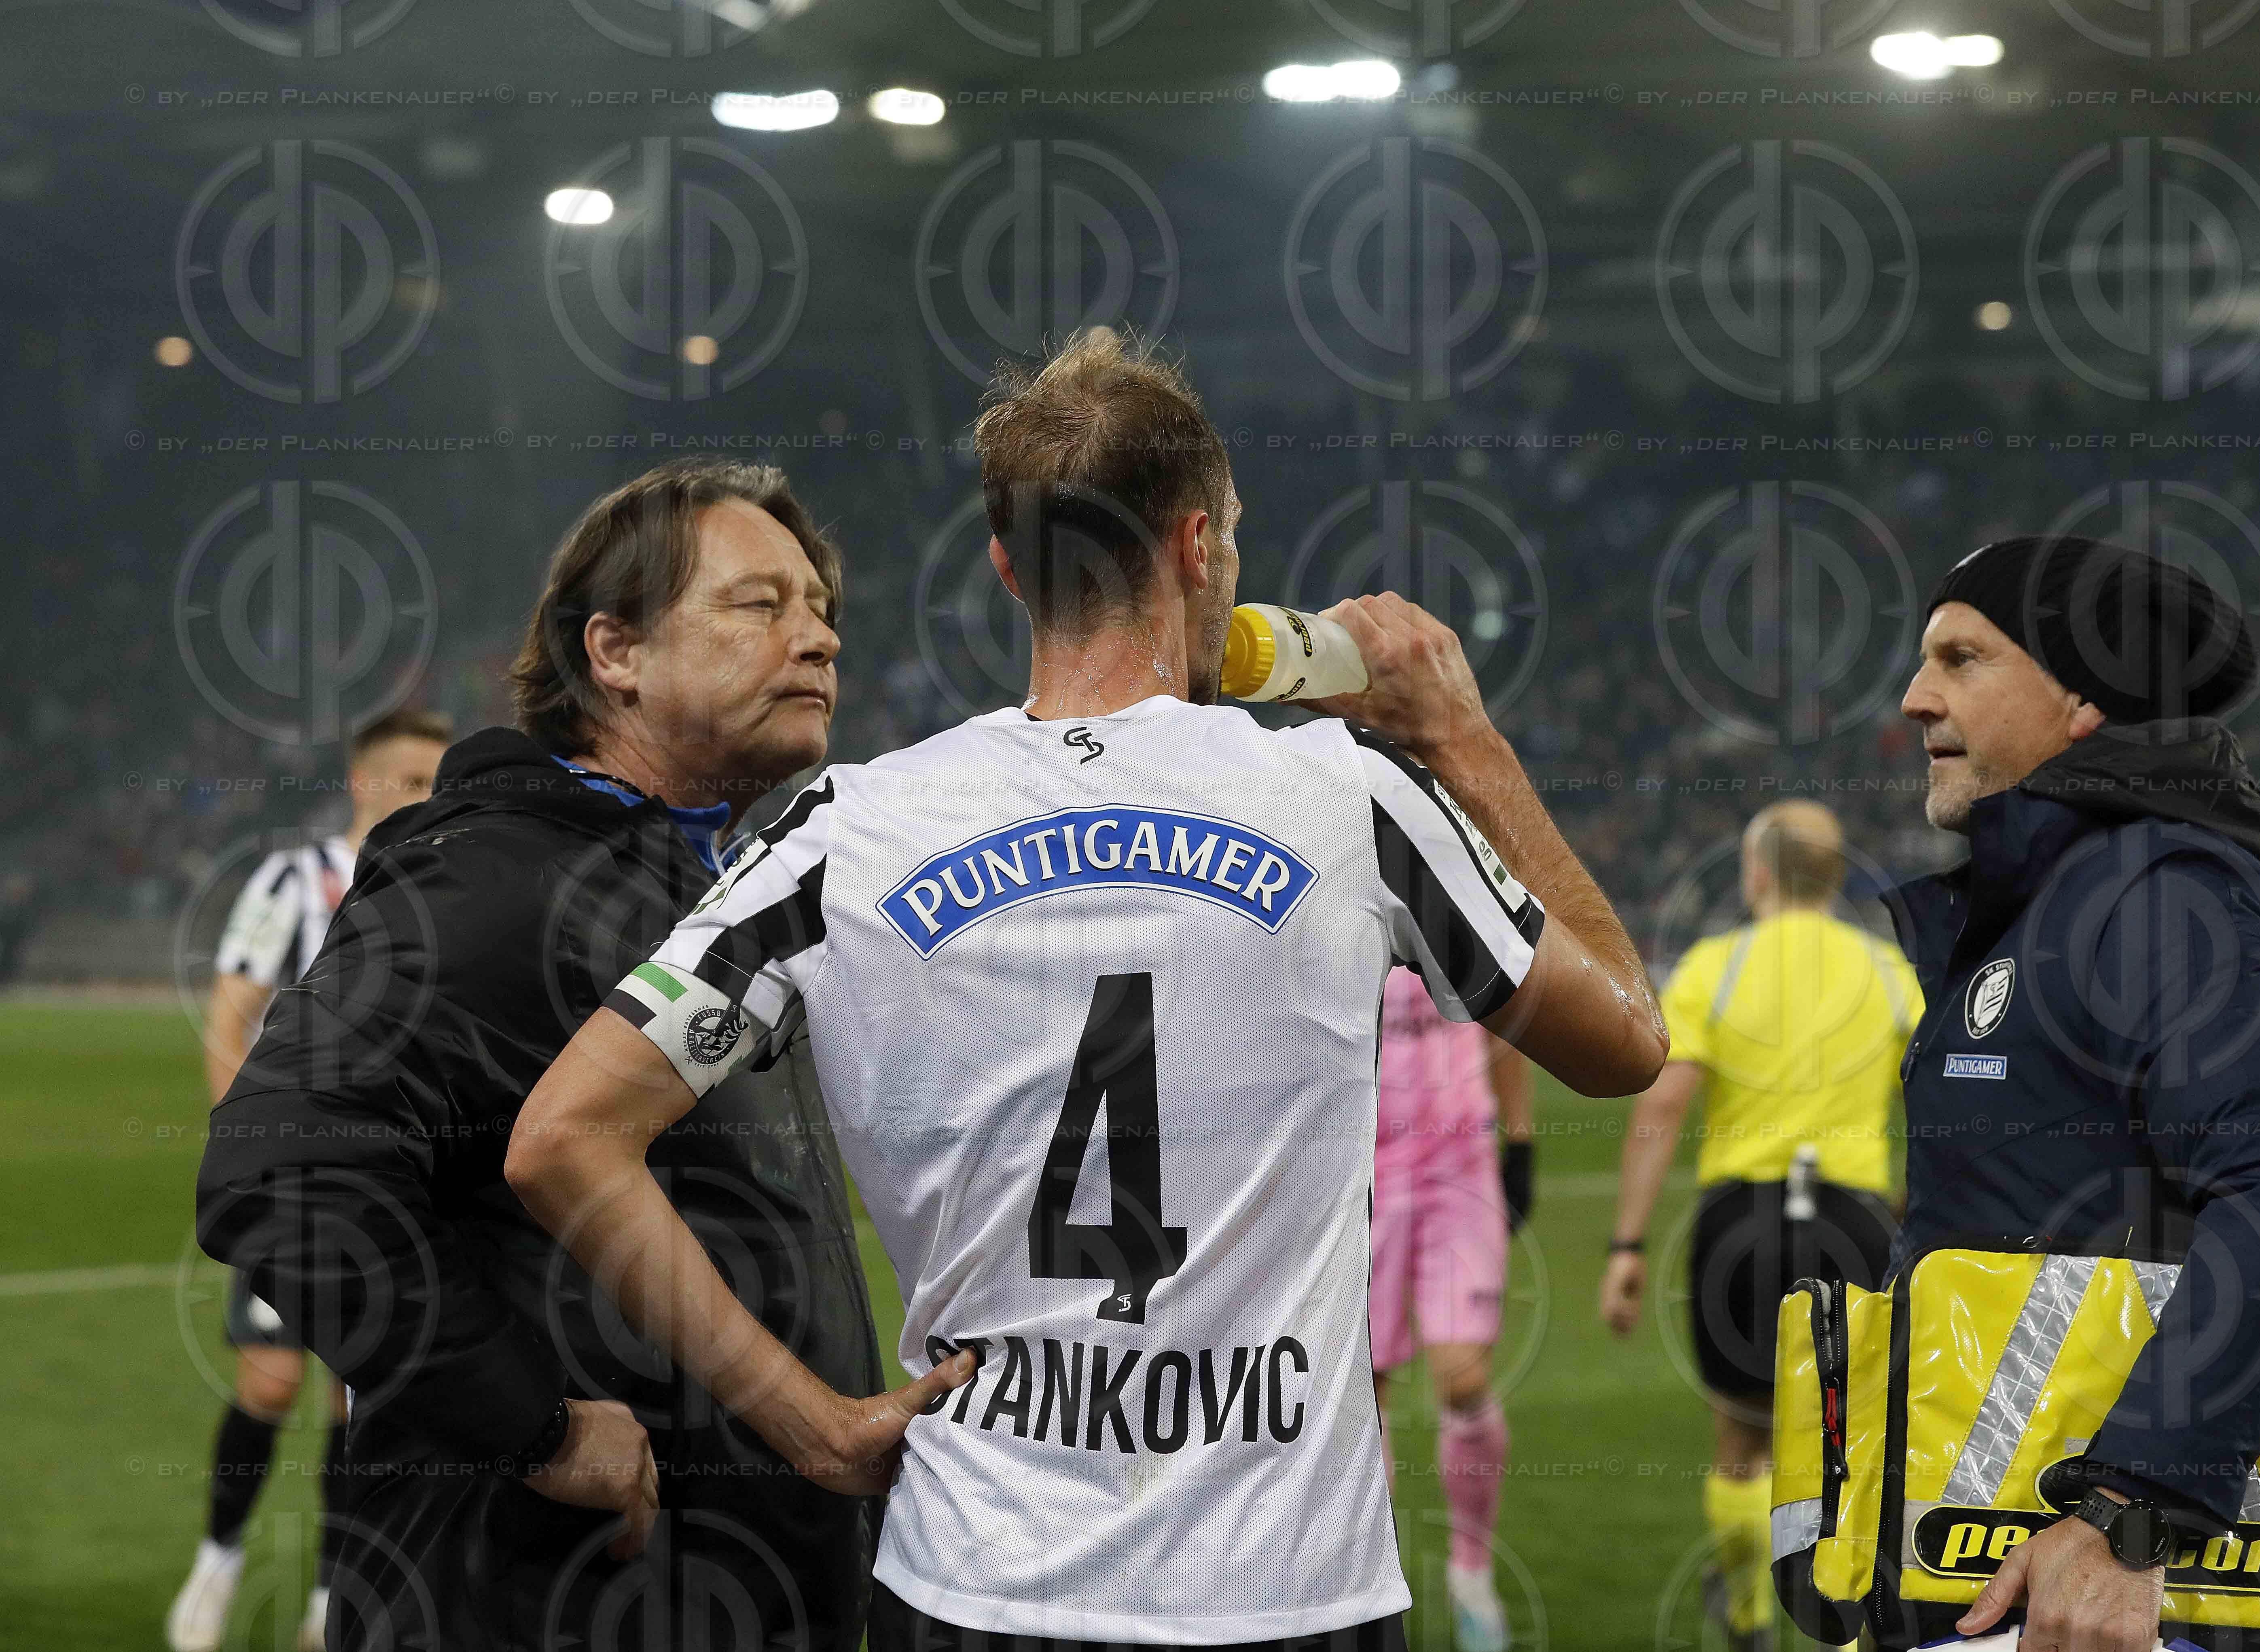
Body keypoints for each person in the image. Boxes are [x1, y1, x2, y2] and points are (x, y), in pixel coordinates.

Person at [508, 328, 1669, 1652]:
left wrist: (810, 1423)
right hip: (1282, 1598)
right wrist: (1462, 734)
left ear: (1009, 566)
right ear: (1199, 548)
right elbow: (1628, 1042)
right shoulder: (1350, 799)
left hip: (970, 1586)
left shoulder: (844, 829)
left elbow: (562, 1137)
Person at [195, 459, 898, 1652]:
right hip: (534, 1597)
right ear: (614, 651)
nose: (819, 637)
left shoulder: (704, 889)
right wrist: (534, 1424)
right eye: (760, 604)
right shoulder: (498, 876)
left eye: (822, 610)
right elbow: (279, 1163)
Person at [1885, 537, 2260, 1651]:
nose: (1915, 697)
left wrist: (2129, 1512)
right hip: (2012, 1582)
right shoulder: (2058, 899)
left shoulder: (2162, 895)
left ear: (2085, 699)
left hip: (2114, 1602)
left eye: (1962, 658)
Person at [1597, 801, 1917, 1652]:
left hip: (1741, 1225)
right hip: (1853, 1221)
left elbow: (1663, 1104)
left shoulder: (1717, 964)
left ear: (1760, 872)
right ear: (1835, 875)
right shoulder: (1889, 971)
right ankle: (1842, 1633)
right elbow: (1940, 1104)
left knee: (1742, 1438)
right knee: (1852, 1449)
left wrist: (1627, 1244)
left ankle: (1747, 1618)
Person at [169, 708, 449, 1652]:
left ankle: (332, 1595)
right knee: (271, 1377)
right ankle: (218, 1560)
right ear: (365, 781)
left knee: (356, 1396)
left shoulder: (441, 886)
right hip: (294, 1184)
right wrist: (253, 1154)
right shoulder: (294, 880)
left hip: (395, 1189)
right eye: (413, 780)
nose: (429, 797)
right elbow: (230, 1015)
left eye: (440, 782)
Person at [1366, 969, 1533, 1652]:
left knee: (1463, 1379)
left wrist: (1521, 1142)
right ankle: (1368, 1577)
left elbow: (1505, 1014)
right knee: (1361, 1390)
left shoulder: (1450, 908)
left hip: (1459, 1162)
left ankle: (1471, 1571)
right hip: (1362, 1164)